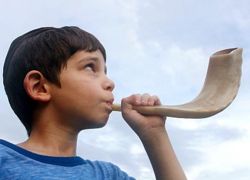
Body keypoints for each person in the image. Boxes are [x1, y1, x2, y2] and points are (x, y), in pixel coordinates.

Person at [0, 26, 186, 180]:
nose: (110, 83)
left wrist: (154, 133)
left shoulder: (108, 175)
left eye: (105, 71)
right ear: (39, 87)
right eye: (90, 67)